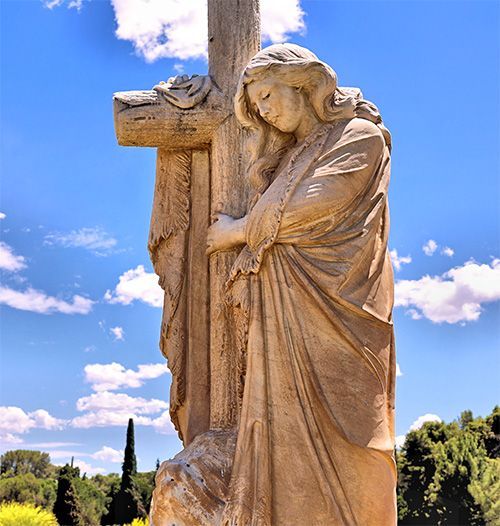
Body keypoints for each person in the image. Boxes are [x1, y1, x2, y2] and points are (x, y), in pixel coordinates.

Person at [207, 43, 397, 526]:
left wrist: (236, 230)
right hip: (284, 314)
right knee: (281, 433)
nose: (264, 110)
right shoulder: (291, 157)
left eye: (268, 95)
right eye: (257, 106)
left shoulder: (359, 137)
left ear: (303, 84)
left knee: (359, 437)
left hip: (345, 313)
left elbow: (314, 208)